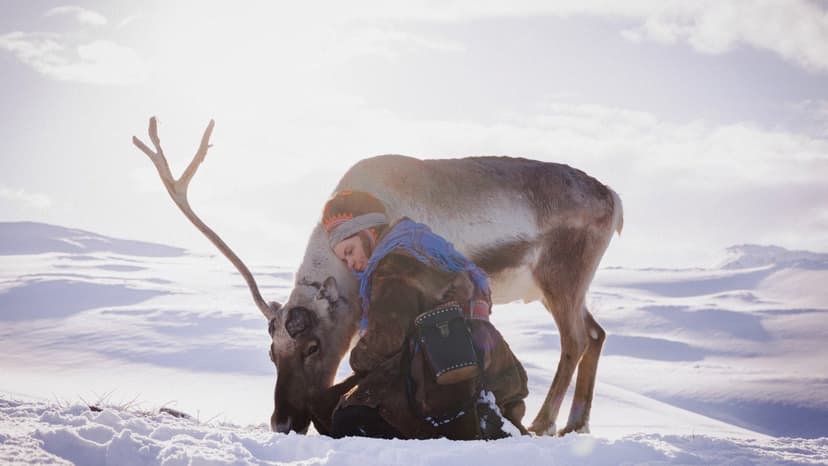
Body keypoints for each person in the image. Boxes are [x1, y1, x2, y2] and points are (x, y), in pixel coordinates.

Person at [314, 190, 528, 440]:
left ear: (368, 232)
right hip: (486, 369)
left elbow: (384, 343)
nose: (350, 264)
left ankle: (475, 422)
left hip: (438, 387)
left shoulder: (392, 265)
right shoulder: (422, 249)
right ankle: (484, 412)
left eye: (349, 251)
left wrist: (357, 359)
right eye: (344, 259)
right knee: (329, 404)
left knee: (340, 416)